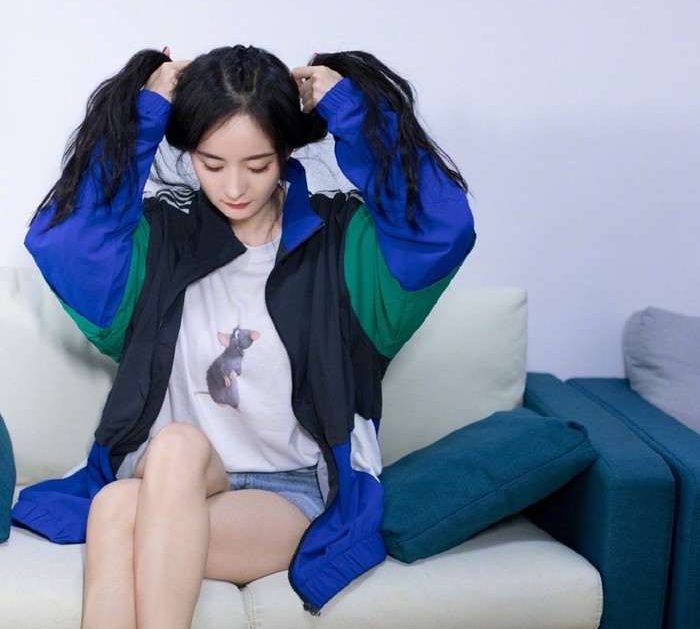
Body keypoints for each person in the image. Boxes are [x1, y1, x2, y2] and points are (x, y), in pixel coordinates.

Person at [15, 44, 475, 628]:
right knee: (174, 447)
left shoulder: (343, 246)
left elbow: (440, 227)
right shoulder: (161, 242)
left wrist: (348, 108)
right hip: (170, 473)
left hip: (288, 489)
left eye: (257, 166)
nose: (234, 187)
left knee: (113, 512)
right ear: (190, 153)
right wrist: (148, 109)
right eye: (212, 164)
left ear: (286, 152)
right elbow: (66, 242)